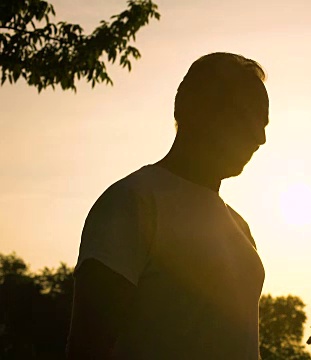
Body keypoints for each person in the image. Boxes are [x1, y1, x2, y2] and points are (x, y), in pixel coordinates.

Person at [67, 53, 269, 359]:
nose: (260, 137)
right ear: (193, 110)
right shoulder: (133, 202)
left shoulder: (241, 229)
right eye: (246, 117)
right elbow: (88, 347)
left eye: (263, 122)